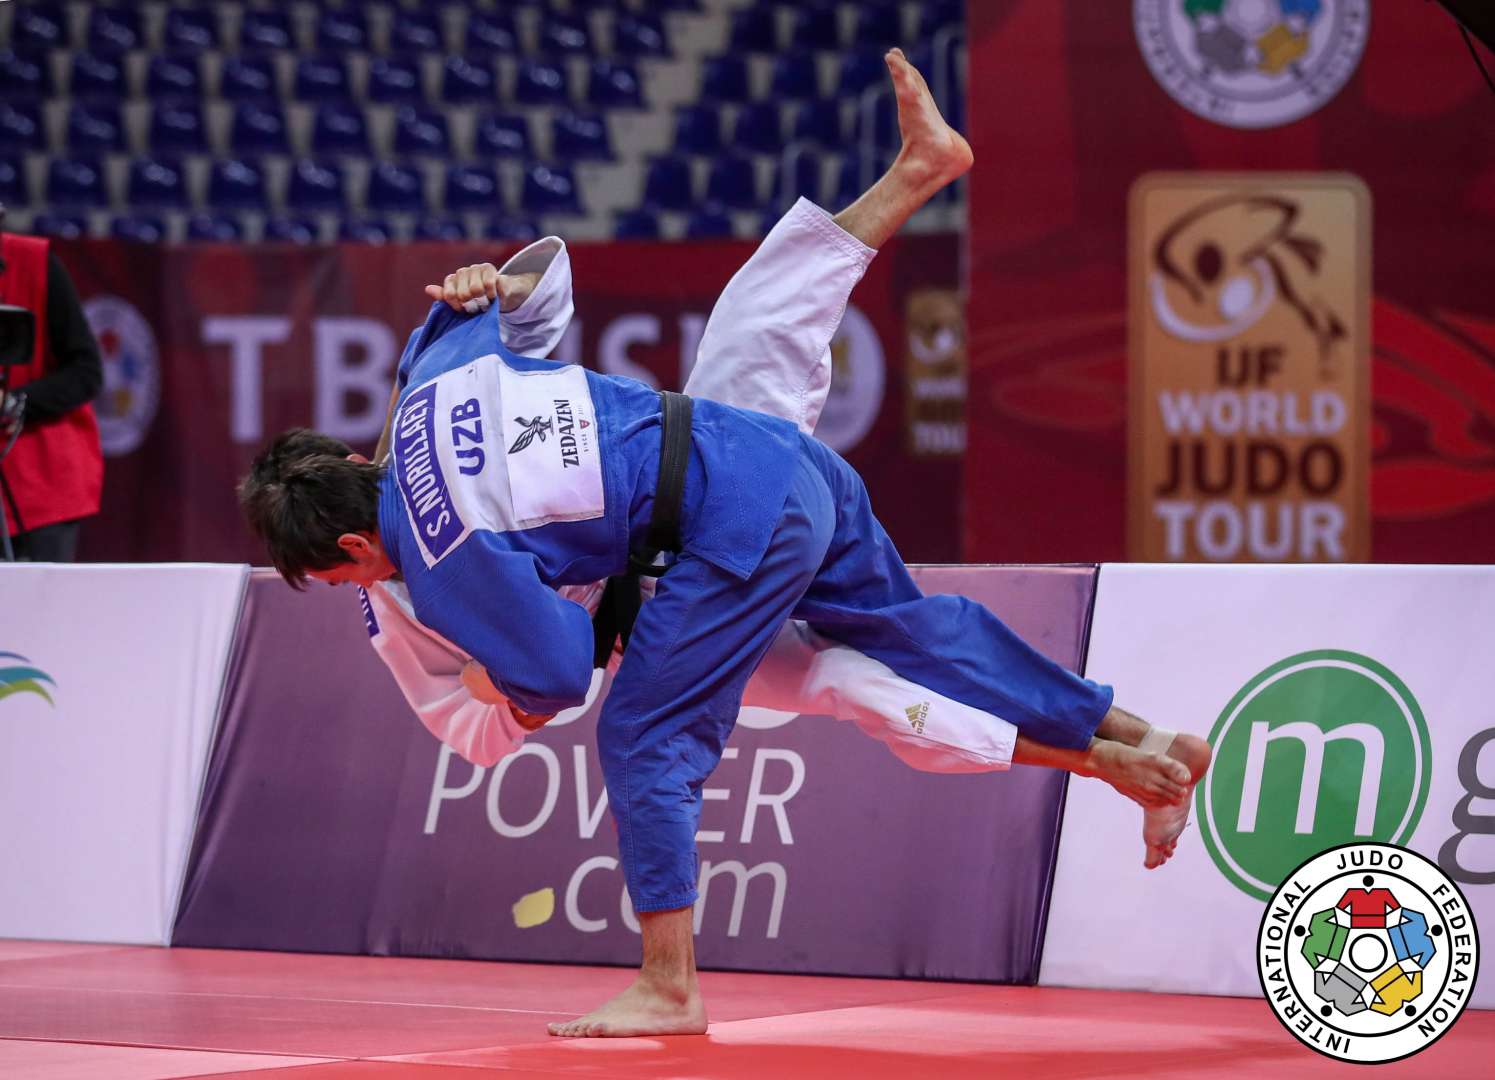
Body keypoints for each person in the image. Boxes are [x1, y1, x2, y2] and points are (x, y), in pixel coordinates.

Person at [241, 51, 1211, 1038]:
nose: (363, 586)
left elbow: (562, 675)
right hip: (776, 463)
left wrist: (507, 683)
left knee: (645, 737)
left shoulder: (438, 568)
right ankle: (1141, 742)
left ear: (352, 543)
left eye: (345, 574)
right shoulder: (431, 377)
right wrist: (491, 281)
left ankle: (670, 984)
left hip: (722, 543)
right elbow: (536, 278)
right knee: (902, 624)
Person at [0, 204, 104, 561]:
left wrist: (13, 401)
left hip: (40, 480)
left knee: (41, 592)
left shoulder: (36, 263)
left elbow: (86, 370)